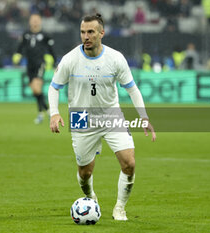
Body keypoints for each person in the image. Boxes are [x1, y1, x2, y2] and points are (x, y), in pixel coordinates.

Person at [48, 13, 156, 221]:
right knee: (85, 173)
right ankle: (91, 198)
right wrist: (54, 113)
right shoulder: (70, 59)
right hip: (80, 118)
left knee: (129, 163)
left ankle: (120, 208)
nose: (85, 36)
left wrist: (143, 116)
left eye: (90, 32)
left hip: (110, 114)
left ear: (101, 33)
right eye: (82, 32)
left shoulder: (115, 59)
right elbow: (54, 87)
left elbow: (132, 89)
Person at [12, 13, 55, 124]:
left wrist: (55, 63)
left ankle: (47, 112)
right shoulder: (26, 34)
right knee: (35, 91)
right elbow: (19, 48)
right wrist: (17, 55)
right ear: (30, 21)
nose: (35, 21)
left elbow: (51, 50)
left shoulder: (45, 35)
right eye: (33, 20)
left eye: (37, 19)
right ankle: (43, 112)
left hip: (40, 64)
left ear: (40, 21)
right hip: (29, 65)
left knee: (36, 88)